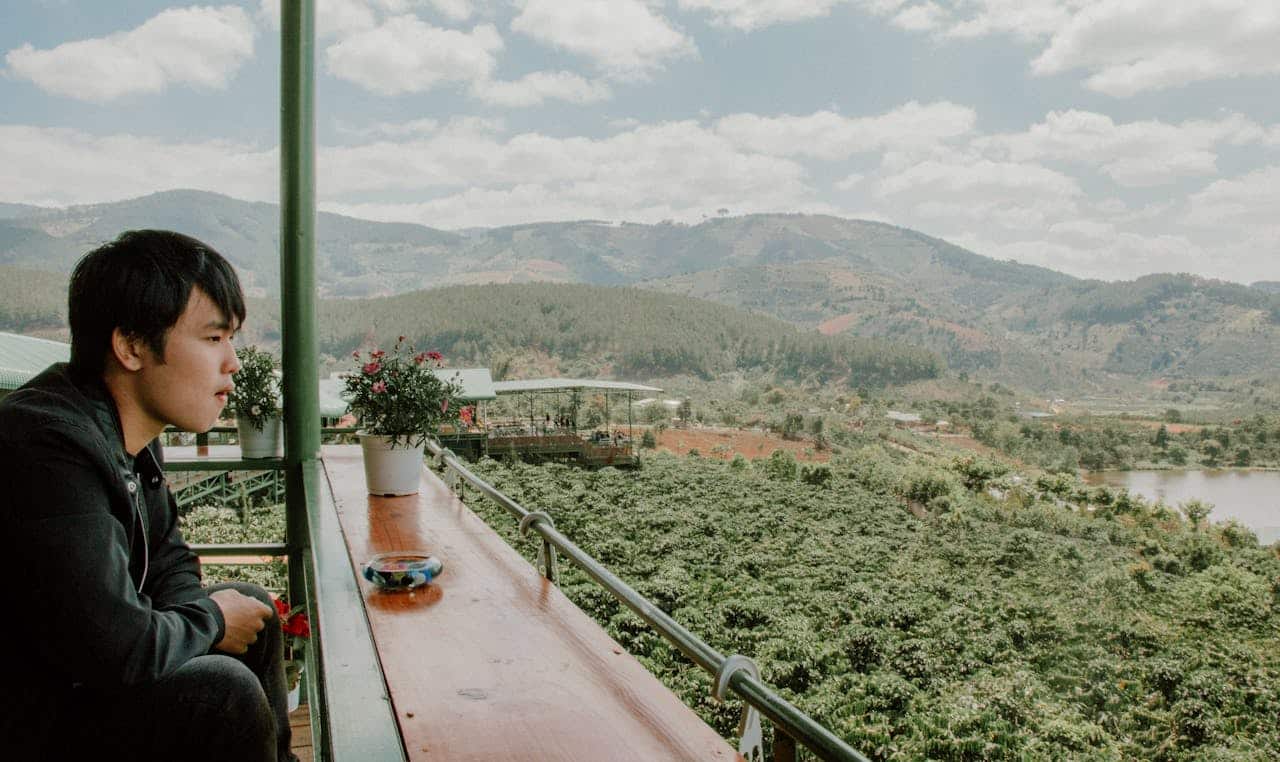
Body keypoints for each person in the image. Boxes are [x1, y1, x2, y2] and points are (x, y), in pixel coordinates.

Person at [0, 230, 294, 761]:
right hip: (35, 723)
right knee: (222, 694)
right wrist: (210, 621)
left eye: (233, 339)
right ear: (131, 346)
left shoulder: (131, 432)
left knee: (252, 607)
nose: (233, 361)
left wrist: (209, 615)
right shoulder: (45, 446)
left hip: (87, 687)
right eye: (213, 339)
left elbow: (168, 562)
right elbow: (114, 647)